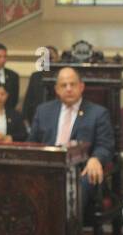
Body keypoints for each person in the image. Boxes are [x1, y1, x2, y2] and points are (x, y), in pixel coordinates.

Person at [28, 67, 114, 211]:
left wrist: (96, 159)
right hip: (46, 169)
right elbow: (31, 143)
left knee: (76, 186)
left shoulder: (98, 113)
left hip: (80, 170)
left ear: (81, 87)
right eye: (63, 85)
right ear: (57, 89)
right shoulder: (43, 111)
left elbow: (105, 145)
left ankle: (66, 232)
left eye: (72, 84)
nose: (68, 89)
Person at [21, 45, 59, 126]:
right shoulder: (35, 76)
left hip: (56, 117)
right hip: (36, 117)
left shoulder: (61, 77)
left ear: (57, 59)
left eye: (51, 58)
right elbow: (28, 99)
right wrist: (24, 118)